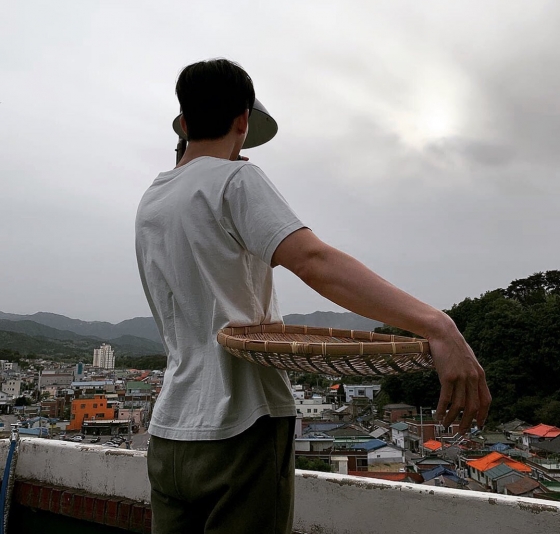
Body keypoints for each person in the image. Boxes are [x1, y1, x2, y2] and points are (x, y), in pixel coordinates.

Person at [135, 58, 491, 534]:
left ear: (183, 122)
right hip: (242, 423)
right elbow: (313, 261)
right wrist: (438, 325)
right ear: (242, 120)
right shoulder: (236, 180)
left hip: (169, 434)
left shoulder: (151, 199)